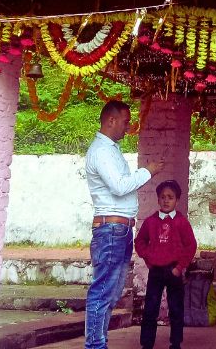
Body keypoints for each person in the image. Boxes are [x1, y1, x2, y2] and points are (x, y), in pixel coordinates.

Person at [84, 100, 161, 349]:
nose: (128, 127)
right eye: (126, 122)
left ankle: (99, 342)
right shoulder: (102, 151)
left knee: (111, 292)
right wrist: (147, 172)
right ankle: (95, 345)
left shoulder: (111, 149)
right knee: (103, 291)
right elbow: (119, 187)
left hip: (119, 229)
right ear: (111, 120)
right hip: (111, 229)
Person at [136, 180, 197, 349]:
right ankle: (147, 344)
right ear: (158, 199)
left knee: (176, 309)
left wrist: (180, 267)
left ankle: (175, 344)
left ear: (177, 200)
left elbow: (191, 245)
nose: (166, 200)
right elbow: (140, 241)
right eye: (162, 197)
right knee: (150, 309)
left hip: (174, 271)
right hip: (156, 271)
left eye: (170, 197)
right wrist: (148, 259)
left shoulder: (181, 222)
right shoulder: (151, 222)